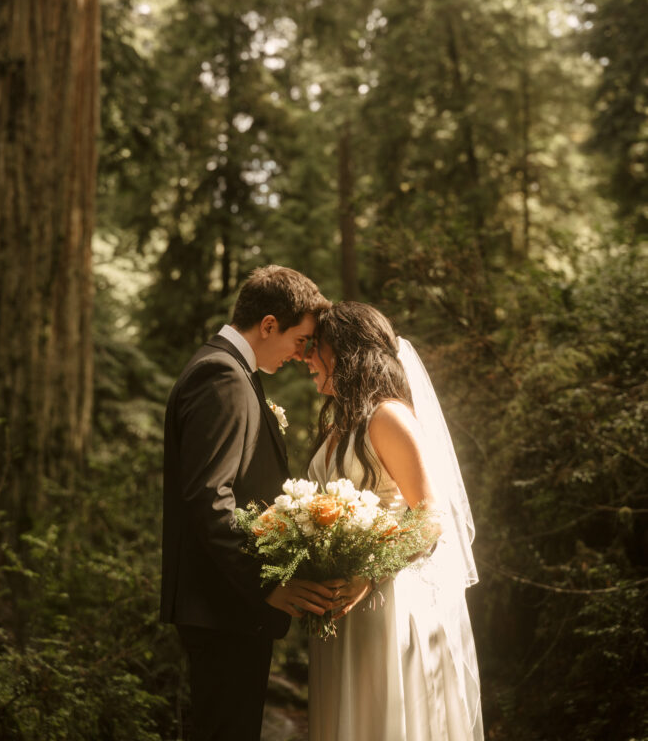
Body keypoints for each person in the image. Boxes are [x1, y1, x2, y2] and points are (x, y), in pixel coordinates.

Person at [160, 265, 335, 741]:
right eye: (301, 340)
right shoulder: (222, 375)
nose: (303, 356)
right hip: (224, 607)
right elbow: (208, 500)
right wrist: (267, 584)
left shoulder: (231, 371)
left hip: (226, 607)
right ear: (270, 325)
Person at [305, 301, 483, 741]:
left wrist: (369, 574)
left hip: (386, 602)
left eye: (317, 348)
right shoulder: (339, 427)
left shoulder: (388, 417)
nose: (307, 359)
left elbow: (430, 518)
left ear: (345, 353)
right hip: (343, 609)